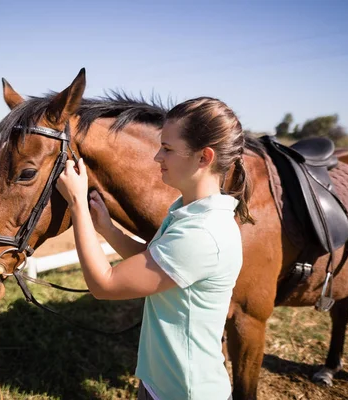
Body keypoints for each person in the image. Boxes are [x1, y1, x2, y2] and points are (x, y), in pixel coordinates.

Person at [56, 97, 253, 400]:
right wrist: (107, 228)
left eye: (168, 149)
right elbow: (152, 263)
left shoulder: (202, 234)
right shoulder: (189, 212)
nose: (157, 157)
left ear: (204, 157)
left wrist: (78, 204)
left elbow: (104, 285)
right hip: (161, 384)